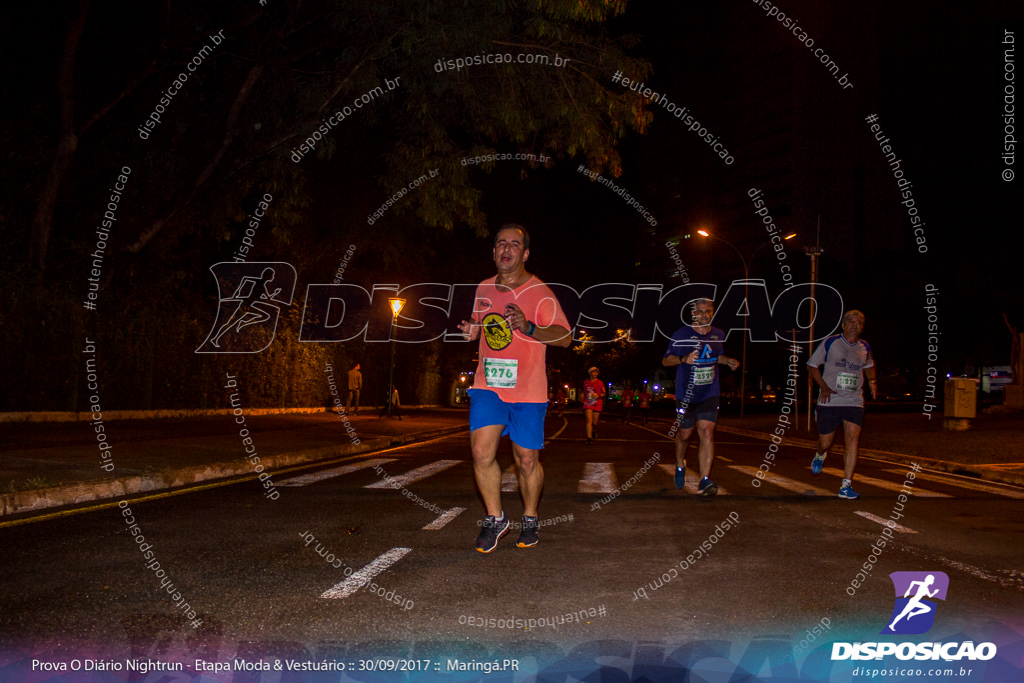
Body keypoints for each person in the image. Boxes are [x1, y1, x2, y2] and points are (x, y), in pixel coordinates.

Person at [458, 224, 571, 553]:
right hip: (488, 383)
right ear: (493, 252)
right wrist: (471, 332)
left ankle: (531, 516)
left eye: (514, 244)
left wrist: (530, 326)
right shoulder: (483, 288)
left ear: (525, 254)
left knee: (526, 461)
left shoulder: (541, 292)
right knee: (481, 452)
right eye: (501, 244)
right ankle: (495, 518)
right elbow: (479, 327)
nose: (506, 249)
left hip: (528, 390)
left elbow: (564, 337)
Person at [662, 298, 739, 496]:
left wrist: (727, 361)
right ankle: (680, 463)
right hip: (686, 393)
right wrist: (683, 358)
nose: (705, 315)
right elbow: (665, 361)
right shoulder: (681, 334)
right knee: (685, 434)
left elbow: (716, 356)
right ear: (693, 314)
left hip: (709, 392)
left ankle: (704, 480)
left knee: (706, 432)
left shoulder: (718, 334)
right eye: (701, 312)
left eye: (708, 311)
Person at [807, 309, 877, 499]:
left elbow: (869, 365)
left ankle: (846, 485)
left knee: (852, 438)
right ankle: (820, 454)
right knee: (825, 442)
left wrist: (872, 382)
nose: (855, 325)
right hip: (830, 401)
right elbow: (812, 365)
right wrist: (824, 388)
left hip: (854, 400)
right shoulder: (831, 342)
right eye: (852, 322)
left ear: (862, 327)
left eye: (859, 322)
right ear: (844, 325)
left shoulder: (865, 347)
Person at [582, 367, 606, 445]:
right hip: (588, 403)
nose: (595, 374)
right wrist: (583, 398)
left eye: (596, 372)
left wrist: (598, 395)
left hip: (597, 403)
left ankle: (594, 431)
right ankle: (589, 438)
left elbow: (603, 393)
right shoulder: (586, 382)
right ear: (590, 373)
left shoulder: (600, 382)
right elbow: (585, 392)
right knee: (589, 421)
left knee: (595, 423)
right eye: (593, 372)